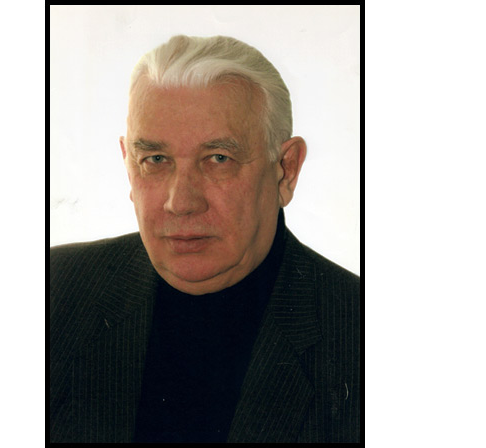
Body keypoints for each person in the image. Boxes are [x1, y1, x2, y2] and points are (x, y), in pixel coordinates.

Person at [50, 34, 360, 443]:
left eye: (218, 159)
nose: (181, 203)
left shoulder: (358, 333)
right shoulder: (54, 292)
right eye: (155, 160)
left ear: (286, 169)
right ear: (128, 166)